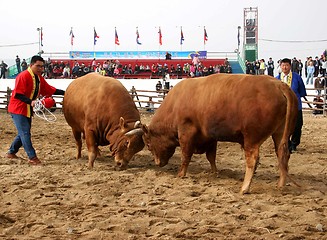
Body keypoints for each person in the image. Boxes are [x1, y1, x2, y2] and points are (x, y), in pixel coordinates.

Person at [6, 55, 65, 165]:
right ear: (31, 65)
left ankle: (11, 152)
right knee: (25, 133)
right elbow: (18, 94)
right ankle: (32, 157)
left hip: (27, 108)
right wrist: (31, 102)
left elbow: (49, 89)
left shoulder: (39, 78)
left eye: (42, 67)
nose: (40, 69)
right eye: (38, 66)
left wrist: (66, 92)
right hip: (18, 108)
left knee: (23, 133)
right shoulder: (23, 76)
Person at [276, 58, 307, 152]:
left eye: (287, 65)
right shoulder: (276, 79)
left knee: (298, 125)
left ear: (290, 66)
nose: (285, 67)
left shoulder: (297, 77)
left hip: (296, 106)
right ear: (280, 67)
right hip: (281, 107)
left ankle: (294, 143)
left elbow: (302, 91)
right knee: (283, 126)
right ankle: (287, 143)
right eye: (283, 65)